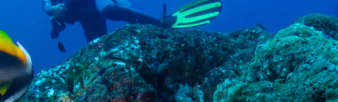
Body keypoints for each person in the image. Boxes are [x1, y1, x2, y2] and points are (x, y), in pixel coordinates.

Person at [45, 0, 222, 43]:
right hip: (82, 13)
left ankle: (161, 22)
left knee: (111, 11)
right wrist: (53, 10)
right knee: (97, 45)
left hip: (97, 3)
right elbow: (45, 5)